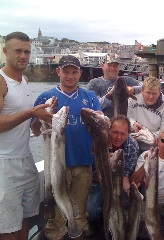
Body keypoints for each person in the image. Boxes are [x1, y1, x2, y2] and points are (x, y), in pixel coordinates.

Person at [31, 55, 102, 240]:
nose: (70, 76)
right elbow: (36, 131)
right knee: (56, 218)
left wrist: (102, 120)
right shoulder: (45, 97)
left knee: (80, 214)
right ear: (58, 72)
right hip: (56, 167)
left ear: (80, 73)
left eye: (74, 72)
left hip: (84, 164)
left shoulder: (90, 97)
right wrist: (41, 119)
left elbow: (101, 125)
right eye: (66, 72)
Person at [0, 31, 52, 240]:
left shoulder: (24, 81)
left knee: (25, 218)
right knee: (7, 226)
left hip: (26, 158)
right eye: (18, 51)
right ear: (5, 51)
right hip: (5, 163)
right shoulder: (1, 82)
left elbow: (30, 128)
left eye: (27, 52)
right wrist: (31, 113)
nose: (23, 55)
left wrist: (40, 120)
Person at [85, 115, 139, 238]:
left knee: (125, 207)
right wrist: (105, 167)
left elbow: (125, 175)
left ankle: (112, 229)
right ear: (108, 130)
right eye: (114, 132)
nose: (118, 137)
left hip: (119, 183)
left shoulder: (132, 145)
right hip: (98, 182)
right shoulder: (97, 141)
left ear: (128, 134)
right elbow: (94, 175)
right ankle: (97, 226)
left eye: (123, 134)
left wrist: (129, 190)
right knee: (91, 211)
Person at [87, 53, 142, 118]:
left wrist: (134, 89)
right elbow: (94, 105)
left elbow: (145, 87)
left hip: (125, 122)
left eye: (115, 65)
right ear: (102, 66)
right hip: (105, 123)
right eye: (109, 65)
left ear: (119, 67)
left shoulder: (127, 80)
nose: (112, 68)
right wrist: (109, 96)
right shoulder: (94, 83)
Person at [127, 76, 164, 152]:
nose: (151, 97)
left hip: (152, 148)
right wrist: (133, 124)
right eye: (148, 93)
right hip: (132, 144)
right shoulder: (132, 100)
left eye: (154, 93)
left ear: (159, 93)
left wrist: (150, 135)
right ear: (142, 91)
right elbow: (127, 117)